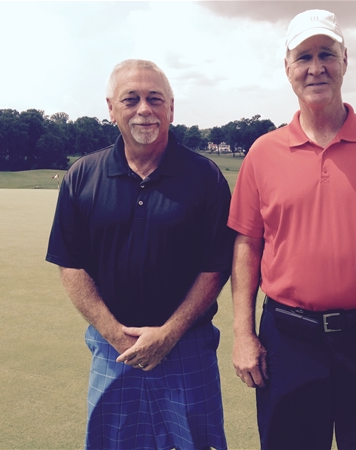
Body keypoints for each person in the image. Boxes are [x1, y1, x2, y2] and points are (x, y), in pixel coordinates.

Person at [228, 9, 356, 450]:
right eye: (303, 57)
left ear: (345, 61)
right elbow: (248, 243)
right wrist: (243, 333)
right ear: (287, 68)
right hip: (288, 339)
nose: (316, 67)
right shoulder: (263, 152)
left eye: (326, 54)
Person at [46, 59, 234, 450]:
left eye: (155, 99)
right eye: (131, 99)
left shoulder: (205, 177)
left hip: (187, 347)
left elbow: (215, 267)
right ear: (111, 108)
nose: (144, 109)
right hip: (113, 349)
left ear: (171, 108)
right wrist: (115, 334)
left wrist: (169, 333)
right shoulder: (83, 175)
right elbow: (71, 263)